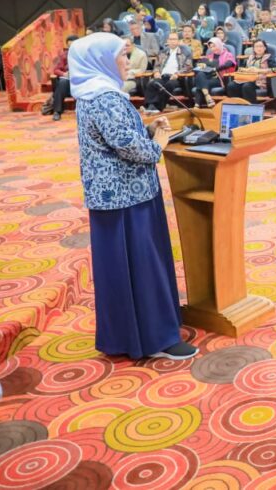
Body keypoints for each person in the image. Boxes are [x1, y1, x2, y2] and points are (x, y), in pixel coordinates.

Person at [68, 33, 197, 360]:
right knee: (143, 265)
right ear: (100, 60)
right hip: (128, 197)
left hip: (109, 196)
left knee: (120, 268)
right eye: (120, 56)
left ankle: (129, 336)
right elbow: (132, 148)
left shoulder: (90, 92)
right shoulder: (107, 98)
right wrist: (160, 142)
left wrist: (149, 129)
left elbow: (114, 138)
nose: (126, 61)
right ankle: (157, 338)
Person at [143, 31, 193, 113]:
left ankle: (158, 107)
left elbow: (188, 67)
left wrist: (177, 74)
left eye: (174, 39)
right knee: (152, 83)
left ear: (178, 41)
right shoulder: (163, 52)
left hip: (176, 78)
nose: (172, 41)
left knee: (168, 85)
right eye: (170, 39)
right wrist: (156, 72)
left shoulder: (186, 52)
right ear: (167, 41)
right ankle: (150, 105)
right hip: (162, 76)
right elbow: (157, 65)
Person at [193, 36, 237, 108]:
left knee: (200, 84)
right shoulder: (209, 56)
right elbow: (202, 66)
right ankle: (207, 97)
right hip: (208, 78)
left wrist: (215, 69)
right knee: (200, 74)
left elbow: (228, 64)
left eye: (214, 46)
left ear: (219, 45)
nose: (213, 49)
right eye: (211, 47)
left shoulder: (228, 54)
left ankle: (197, 106)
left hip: (220, 79)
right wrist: (201, 66)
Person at [227, 39, 273, 103]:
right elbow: (241, 68)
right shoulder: (250, 58)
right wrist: (247, 69)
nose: (259, 48)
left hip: (261, 81)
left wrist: (258, 70)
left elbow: (275, 70)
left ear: (265, 48)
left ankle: (251, 108)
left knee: (247, 86)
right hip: (247, 78)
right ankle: (238, 106)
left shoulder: (269, 58)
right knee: (231, 85)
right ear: (253, 48)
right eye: (256, 46)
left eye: (261, 46)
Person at [47, 35, 77, 121]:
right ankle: (57, 112)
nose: (71, 48)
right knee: (62, 82)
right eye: (69, 46)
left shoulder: (84, 55)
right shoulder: (64, 55)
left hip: (80, 79)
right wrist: (64, 74)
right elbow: (56, 70)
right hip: (67, 79)